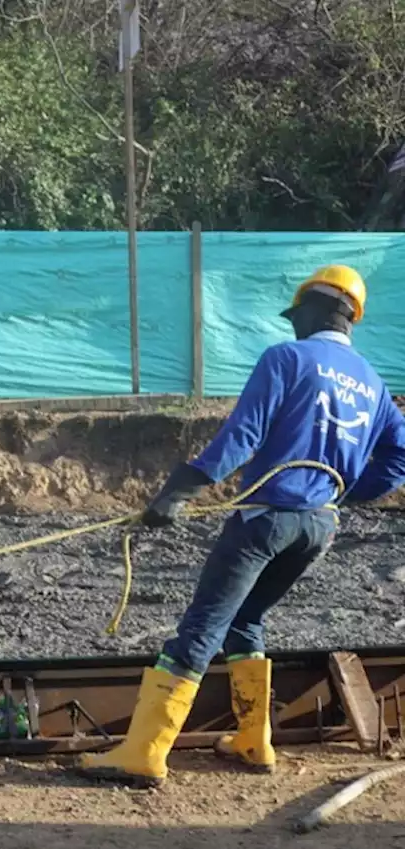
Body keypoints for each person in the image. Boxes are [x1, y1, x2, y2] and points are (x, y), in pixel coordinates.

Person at [79, 264, 405, 788]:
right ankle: (254, 740)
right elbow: (397, 460)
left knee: (201, 626)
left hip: (265, 520)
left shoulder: (287, 358)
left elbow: (243, 433)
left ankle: (142, 753)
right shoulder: (373, 384)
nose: (293, 323)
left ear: (318, 308)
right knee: (245, 619)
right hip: (318, 528)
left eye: (297, 314)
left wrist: (181, 490)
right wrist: (344, 493)